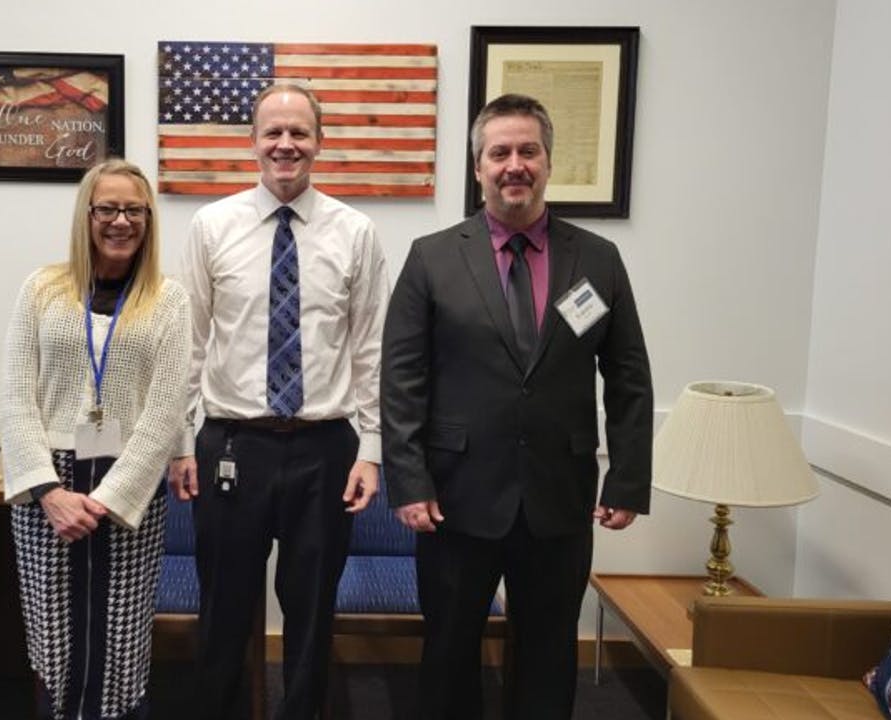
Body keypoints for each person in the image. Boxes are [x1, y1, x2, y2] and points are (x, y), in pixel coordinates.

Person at [381, 93, 654, 720]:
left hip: (559, 497)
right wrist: (409, 480)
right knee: (449, 652)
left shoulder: (598, 259)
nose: (514, 165)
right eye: (498, 152)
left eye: (527, 151)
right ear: (477, 168)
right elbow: (401, 378)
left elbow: (629, 375)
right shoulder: (432, 256)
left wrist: (629, 477)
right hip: (454, 497)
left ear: (548, 162)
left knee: (549, 653)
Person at [167, 83, 389, 719]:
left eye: (299, 133)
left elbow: (370, 349)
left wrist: (371, 451)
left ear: (320, 142)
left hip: (326, 448)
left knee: (313, 611)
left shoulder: (357, 232)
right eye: (273, 133)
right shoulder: (212, 226)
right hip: (232, 444)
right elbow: (190, 343)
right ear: (253, 142)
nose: (286, 145)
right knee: (224, 610)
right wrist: (183, 442)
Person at [0, 159, 191, 720]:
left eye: (134, 209)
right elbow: (15, 397)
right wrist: (49, 493)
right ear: (87, 215)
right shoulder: (41, 289)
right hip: (49, 490)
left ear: (148, 219)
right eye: (107, 208)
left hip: (128, 487)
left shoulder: (169, 299)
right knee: (54, 635)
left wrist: (106, 500)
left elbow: (164, 414)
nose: (121, 221)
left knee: (121, 637)